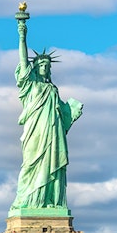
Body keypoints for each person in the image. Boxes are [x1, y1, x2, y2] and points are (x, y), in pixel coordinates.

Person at [11, 15, 83, 213]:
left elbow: (63, 114)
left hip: (53, 133)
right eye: (40, 65)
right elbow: (23, 61)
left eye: (46, 66)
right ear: (35, 68)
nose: (44, 68)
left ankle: (50, 201)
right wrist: (22, 36)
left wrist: (72, 110)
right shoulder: (30, 85)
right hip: (35, 132)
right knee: (30, 165)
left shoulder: (53, 89)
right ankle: (29, 200)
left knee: (53, 164)